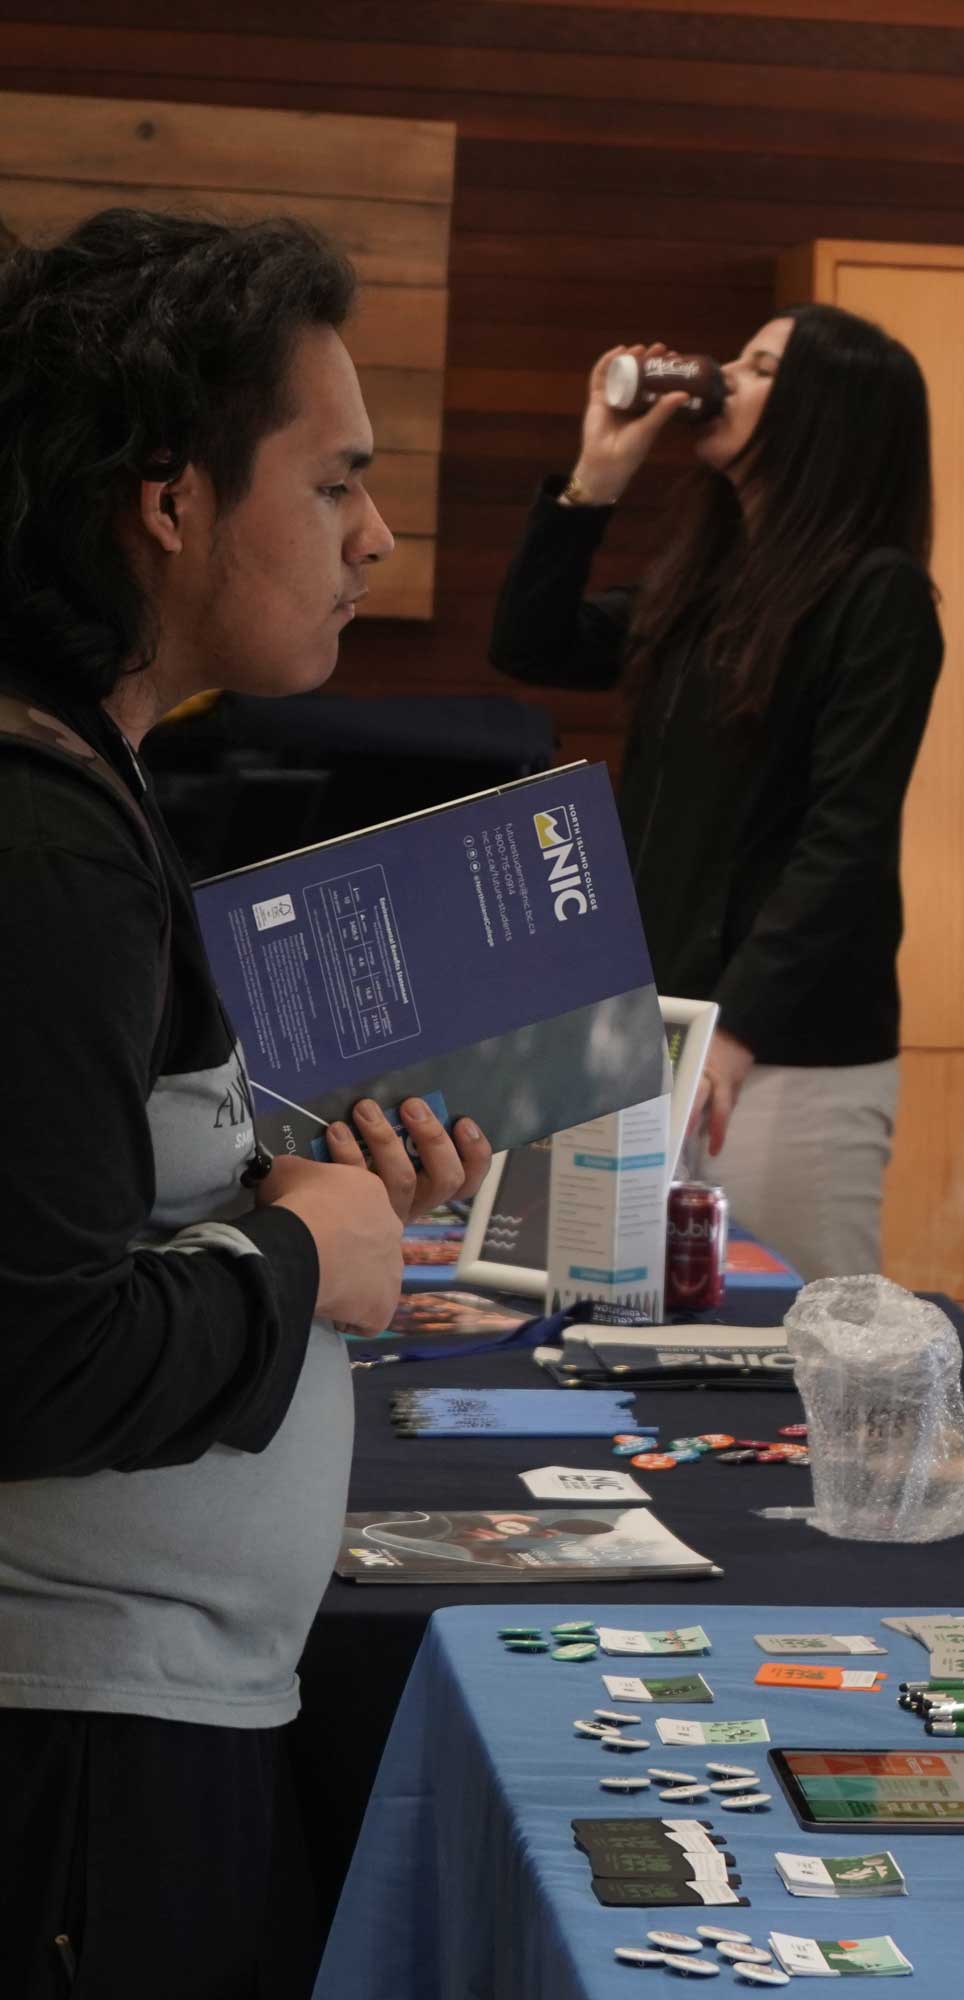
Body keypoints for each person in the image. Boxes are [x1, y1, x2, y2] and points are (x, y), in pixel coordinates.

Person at [0, 209, 490, 1998]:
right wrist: (304, 1260)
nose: (374, 536)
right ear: (169, 499)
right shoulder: (43, 842)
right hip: (72, 1758)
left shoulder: (92, 775)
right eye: (336, 480)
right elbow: (31, 1359)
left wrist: (290, 1193)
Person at [490, 308, 941, 1281]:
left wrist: (737, 1027)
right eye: (733, 357)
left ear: (827, 415)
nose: (723, 376)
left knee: (795, 1334)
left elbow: (845, 838)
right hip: (656, 1025)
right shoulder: (706, 579)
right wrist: (595, 476)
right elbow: (532, 643)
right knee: (622, 1313)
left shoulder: (879, 595)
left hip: (783, 1051)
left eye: (761, 367)